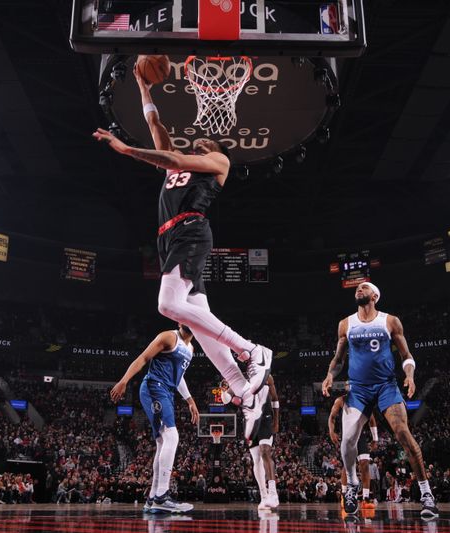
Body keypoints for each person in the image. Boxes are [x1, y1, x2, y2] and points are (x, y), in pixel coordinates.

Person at [93, 67, 272, 416]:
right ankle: (240, 388)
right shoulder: (181, 168)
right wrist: (145, 89)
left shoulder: (218, 161)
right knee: (197, 320)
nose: (201, 138)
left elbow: (171, 157)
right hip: (170, 238)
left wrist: (126, 149)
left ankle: (250, 349)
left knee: (167, 306)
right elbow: (156, 127)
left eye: (207, 139)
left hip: (190, 231)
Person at [322, 282, 438, 518]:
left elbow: (406, 356)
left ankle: (427, 494)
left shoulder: (390, 321)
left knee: (403, 434)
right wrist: (329, 376)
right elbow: (338, 359)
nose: (358, 290)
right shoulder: (346, 324)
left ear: (375, 295)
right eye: (357, 289)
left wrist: (410, 375)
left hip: (386, 385)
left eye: (364, 288)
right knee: (347, 441)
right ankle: (352, 487)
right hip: (359, 389)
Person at [110, 324, 200, 513]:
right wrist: (124, 381)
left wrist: (190, 400)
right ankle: (161, 496)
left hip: (167, 391)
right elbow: (143, 358)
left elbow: (179, 377)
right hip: (153, 386)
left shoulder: (190, 349)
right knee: (172, 436)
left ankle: (152, 498)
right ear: (179, 321)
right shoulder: (168, 337)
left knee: (162, 442)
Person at [222, 375, 280, 510]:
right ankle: (264, 496)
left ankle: (273, 493)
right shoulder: (238, 380)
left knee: (265, 452)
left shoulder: (267, 377)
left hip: (265, 420)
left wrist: (276, 421)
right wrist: (223, 390)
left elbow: (275, 400)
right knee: (256, 460)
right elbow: (226, 400)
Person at [329, 391, 378, 511]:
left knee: (365, 465)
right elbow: (332, 417)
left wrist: (375, 438)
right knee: (348, 466)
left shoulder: (364, 400)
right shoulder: (341, 400)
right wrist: (332, 432)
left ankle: (366, 499)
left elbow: (371, 420)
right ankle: (345, 495)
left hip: (361, 436)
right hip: (347, 436)